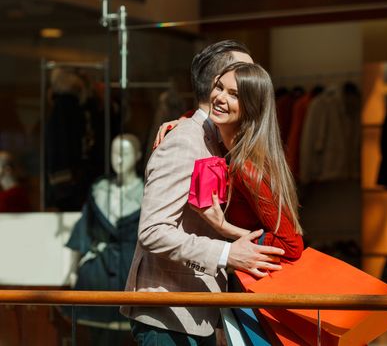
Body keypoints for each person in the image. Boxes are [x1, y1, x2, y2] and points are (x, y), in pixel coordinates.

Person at [121, 40, 286, 346]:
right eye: (241, 74)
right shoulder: (186, 140)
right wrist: (226, 254)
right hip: (169, 313)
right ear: (216, 84)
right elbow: (153, 230)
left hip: (198, 312)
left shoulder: (221, 141)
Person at [191, 61, 304, 261]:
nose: (220, 97)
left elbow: (291, 245)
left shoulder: (246, 167)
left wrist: (225, 228)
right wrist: (180, 123)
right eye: (219, 87)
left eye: (234, 95)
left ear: (250, 107)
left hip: (262, 285)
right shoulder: (235, 148)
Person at [64, 134, 143, 345]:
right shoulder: (98, 191)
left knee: (129, 335)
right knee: (96, 337)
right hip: (97, 273)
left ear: (137, 155)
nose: (118, 159)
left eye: (124, 153)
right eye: (114, 153)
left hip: (130, 274)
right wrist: (72, 269)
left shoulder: (148, 192)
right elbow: (83, 228)